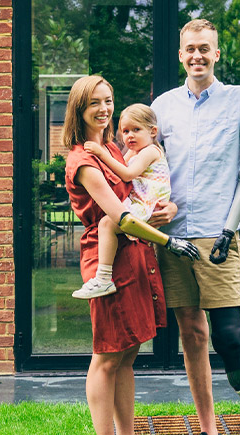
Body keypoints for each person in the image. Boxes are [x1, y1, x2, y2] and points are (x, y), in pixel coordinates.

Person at [150, 18, 240, 435]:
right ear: (180, 55)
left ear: (217, 53)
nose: (197, 56)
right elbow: (152, 171)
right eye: (189, 50)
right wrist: (153, 213)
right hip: (174, 236)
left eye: (205, 49)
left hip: (218, 234)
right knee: (191, 333)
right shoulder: (161, 108)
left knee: (228, 337)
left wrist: (229, 227)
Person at [60, 75, 175, 435]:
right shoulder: (84, 160)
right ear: (79, 109)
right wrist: (168, 239)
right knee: (107, 355)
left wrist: (165, 209)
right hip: (107, 261)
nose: (104, 110)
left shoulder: (113, 148)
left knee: (128, 354)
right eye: (95, 103)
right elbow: (121, 217)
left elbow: (141, 195)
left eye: (108, 101)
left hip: (134, 256)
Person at [72, 103, 199, 300]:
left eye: (136, 130)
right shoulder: (134, 151)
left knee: (107, 223)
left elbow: (127, 174)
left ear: (153, 131)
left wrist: (100, 153)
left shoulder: (150, 151)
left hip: (148, 202)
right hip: (141, 199)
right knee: (109, 222)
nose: (129, 136)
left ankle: (104, 279)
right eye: (125, 131)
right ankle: (104, 278)